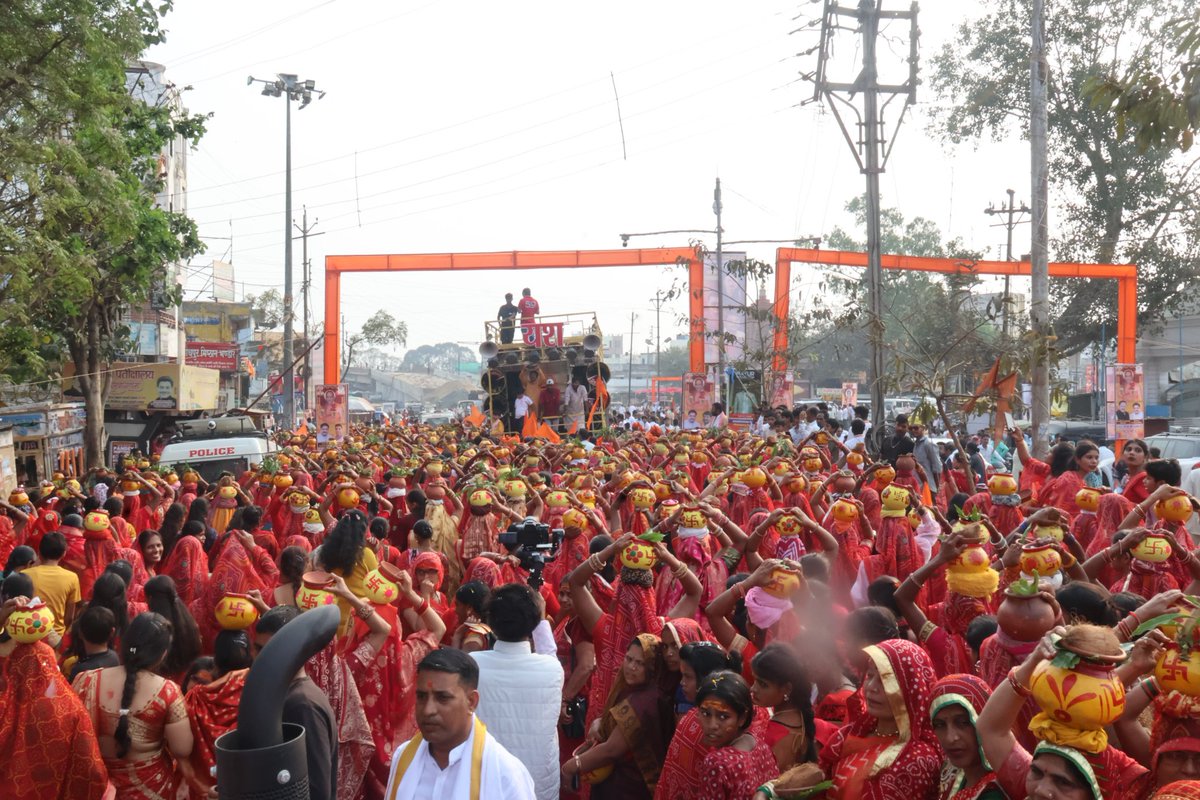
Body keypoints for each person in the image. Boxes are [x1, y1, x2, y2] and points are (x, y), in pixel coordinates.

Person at [0, 585, 113, 800]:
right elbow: (90, 768)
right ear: (52, 666)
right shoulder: (70, 709)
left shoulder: (5, 710)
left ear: (12, 669)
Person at [384, 647, 536, 799]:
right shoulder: (404, 757)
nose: (428, 710)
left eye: (442, 698)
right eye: (422, 697)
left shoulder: (505, 773)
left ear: (471, 702)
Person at [72, 612, 194, 799]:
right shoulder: (167, 692)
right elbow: (182, 748)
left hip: (95, 787)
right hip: (150, 789)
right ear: (163, 653)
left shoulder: (86, 680)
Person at [472, 582, 563, 800]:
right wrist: (541, 619)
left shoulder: (472, 666)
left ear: (491, 622)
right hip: (538, 785)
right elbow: (548, 652)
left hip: (487, 781)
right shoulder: (551, 669)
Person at [820, 638, 942, 799]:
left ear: (911, 689)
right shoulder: (847, 736)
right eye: (870, 675)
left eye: (885, 681)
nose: (871, 687)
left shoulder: (918, 757)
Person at [560, 634, 672, 799]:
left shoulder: (644, 702)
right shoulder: (629, 689)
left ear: (652, 667)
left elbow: (611, 750)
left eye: (640, 663)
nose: (631, 667)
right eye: (629, 659)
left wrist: (572, 766)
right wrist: (600, 722)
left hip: (628, 788)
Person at [253, 605, 339, 800]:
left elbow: (317, 791)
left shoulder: (303, 705)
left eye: (270, 651)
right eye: (258, 649)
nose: (260, 659)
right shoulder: (284, 694)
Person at [182, 629, 252, 800]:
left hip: (202, 788)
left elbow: (180, 745)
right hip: (246, 786)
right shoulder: (256, 690)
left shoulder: (195, 697)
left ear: (216, 661)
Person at [694, 671, 779, 800]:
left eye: (723, 716)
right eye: (706, 714)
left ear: (742, 718)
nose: (712, 725)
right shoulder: (759, 744)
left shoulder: (717, 763)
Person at [929, 673, 1005, 800]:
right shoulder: (956, 775)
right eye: (940, 725)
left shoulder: (994, 793)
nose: (950, 738)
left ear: (985, 722)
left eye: (963, 722)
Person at [24, 530, 81, 635]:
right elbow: (69, 617)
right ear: (64, 553)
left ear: (39, 552)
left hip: (28, 632)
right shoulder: (72, 578)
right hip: (56, 636)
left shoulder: (24, 575)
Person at [911, 422, 943, 503]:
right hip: (919, 486)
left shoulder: (928, 444)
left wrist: (936, 488)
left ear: (923, 428)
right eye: (911, 428)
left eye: (916, 428)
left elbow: (937, 468)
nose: (913, 430)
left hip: (929, 487)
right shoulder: (916, 444)